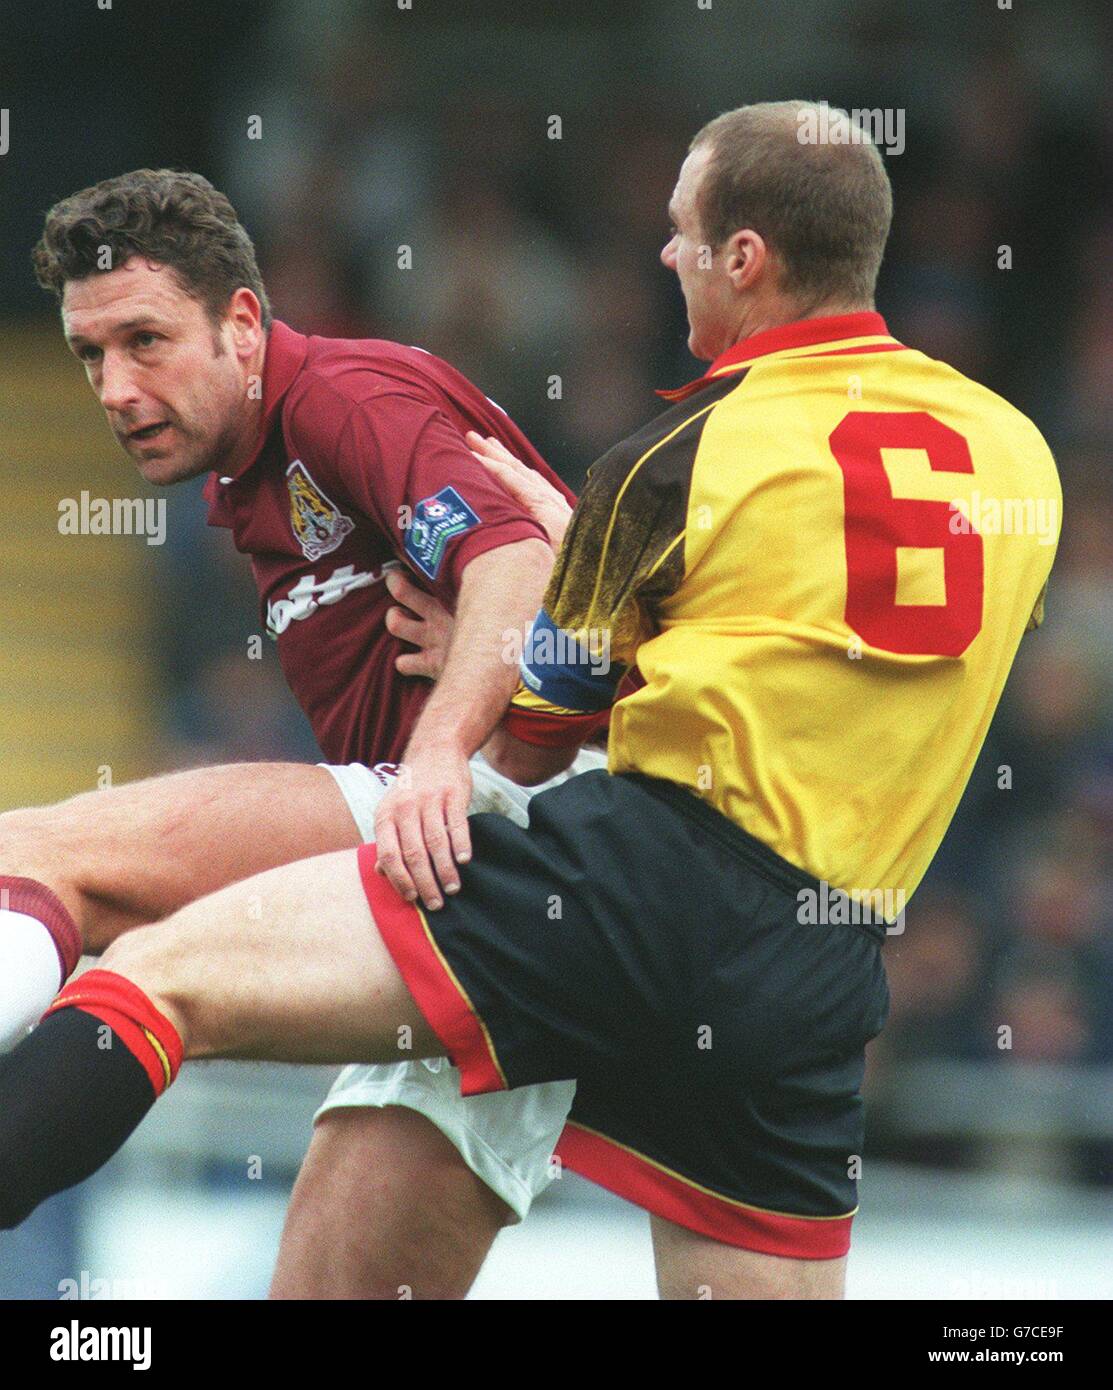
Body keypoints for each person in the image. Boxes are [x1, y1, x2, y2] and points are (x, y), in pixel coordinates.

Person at [0, 100, 1061, 1298]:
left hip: (617, 882)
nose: (665, 254)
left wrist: (499, 673)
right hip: (815, 965)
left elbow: (546, 723)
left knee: (157, 974)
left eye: (681, 232)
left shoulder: (674, 456)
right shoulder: (1020, 455)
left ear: (745, 259)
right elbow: (862, 666)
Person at [1, 167, 602, 1298]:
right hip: (514, 924)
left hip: (517, 821)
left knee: (38, 856)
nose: (115, 387)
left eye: (145, 340)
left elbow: (516, 558)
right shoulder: (249, 475)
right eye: (91, 356)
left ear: (242, 321)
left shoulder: (345, 398)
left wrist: (439, 752)